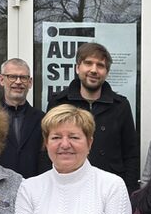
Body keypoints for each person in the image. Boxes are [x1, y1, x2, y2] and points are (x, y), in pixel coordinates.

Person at [48, 42, 140, 191]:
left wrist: (129, 191)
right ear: (77, 68)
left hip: (109, 188)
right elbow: (47, 147)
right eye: (88, 63)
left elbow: (131, 154)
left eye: (100, 65)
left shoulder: (120, 106)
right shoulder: (58, 102)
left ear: (107, 72)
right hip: (66, 185)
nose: (94, 70)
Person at [0, 57, 50, 178]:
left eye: (23, 77)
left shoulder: (42, 119)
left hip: (33, 188)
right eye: (12, 77)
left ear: (30, 82)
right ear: (1, 80)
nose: (18, 82)